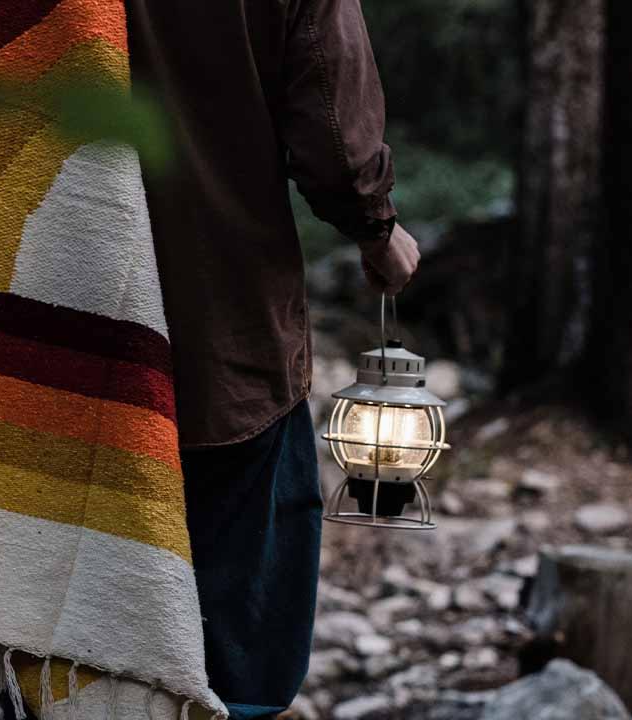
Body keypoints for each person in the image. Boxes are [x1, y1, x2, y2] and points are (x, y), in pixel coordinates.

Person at [124, 1, 420, 718]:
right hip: (224, 341)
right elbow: (330, 124)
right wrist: (376, 230)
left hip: (52, 343)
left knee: (68, 630)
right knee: (240, 657)